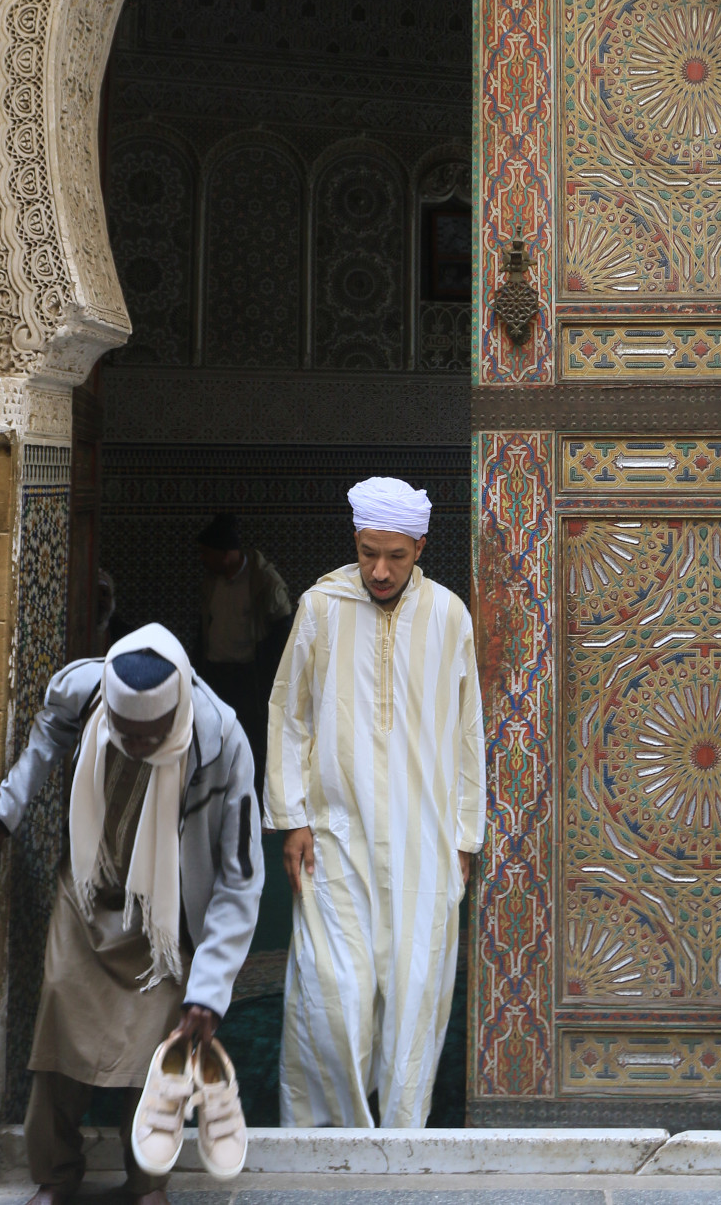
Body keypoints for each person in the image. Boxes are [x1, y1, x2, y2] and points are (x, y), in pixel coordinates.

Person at [0, 622, 262, 1205]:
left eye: (148, 736)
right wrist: (6, 807)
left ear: (175, 714)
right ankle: (56, 1174)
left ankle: (146, 1184)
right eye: (123, 733)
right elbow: (47, 734)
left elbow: (239, 878)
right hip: (86, 893)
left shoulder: (221, 741)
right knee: (58, 1018)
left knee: (158, 1045)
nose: (133, 744)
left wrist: (208, 988)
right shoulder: (84, 691)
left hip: (165, 919)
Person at [265, 476, 485, 1129]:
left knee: (416, 995)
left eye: (395, 555)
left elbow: (468, 730)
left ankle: (400, 1141)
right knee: (334, 990)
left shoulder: (448, 614)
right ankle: (328, 1137)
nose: (379, 569)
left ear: (420, 545)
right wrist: (293, 817)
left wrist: (463, 835)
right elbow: (289, 714)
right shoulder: (320, 606)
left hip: (424, 841)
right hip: (334, 832)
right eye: (367, 552)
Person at [197, 512, 292, 795]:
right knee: (215, 737)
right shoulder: (211, 581)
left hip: (249, 678)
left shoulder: (263, 582)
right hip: (216, 673)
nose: (202, 559)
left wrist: (269, 678)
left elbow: (282, 629)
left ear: (226, 554)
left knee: (252, 741)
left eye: (207, 553)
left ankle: (255, 804)